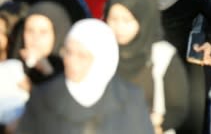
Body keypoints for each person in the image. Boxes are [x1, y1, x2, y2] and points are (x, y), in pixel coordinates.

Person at [17, 18, 154, 134]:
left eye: (82, 55)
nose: (71, 61)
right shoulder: (43, 97)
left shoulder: (130, 99)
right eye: (68, 52)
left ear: (102, 59)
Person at [106, 0, 189, 133]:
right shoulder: (102, 52)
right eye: (114, 19)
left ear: (143, 18)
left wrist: (159, 124)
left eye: (127, 20)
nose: (119, 27)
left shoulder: (163, 56)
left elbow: (178, 108)